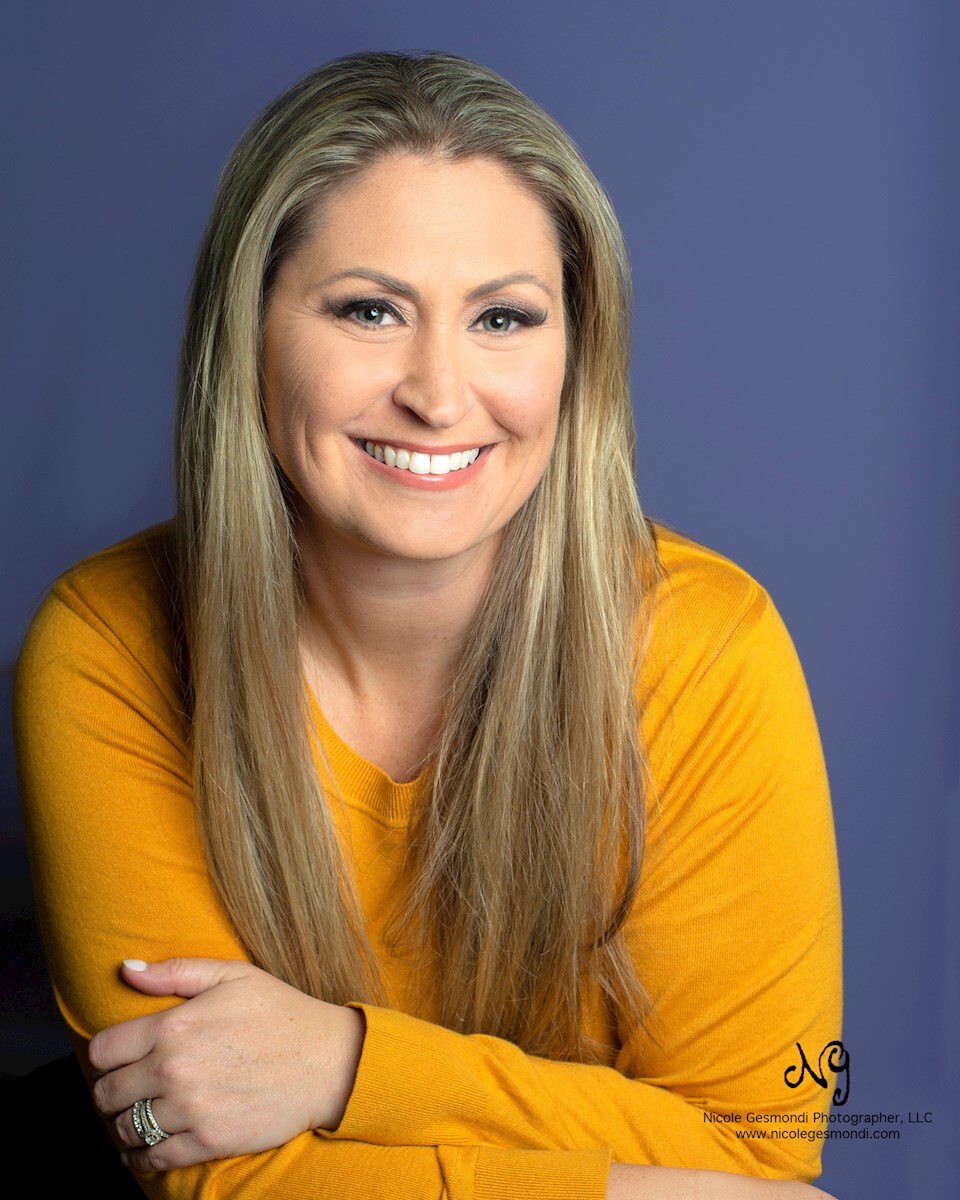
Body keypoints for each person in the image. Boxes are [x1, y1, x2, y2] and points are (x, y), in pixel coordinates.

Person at [14, 51, 841, 1200]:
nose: (440, 394)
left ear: (575, 353)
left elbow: (761, 1152)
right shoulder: (109, 643)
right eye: (369, 310)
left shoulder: (707, 648)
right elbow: (229, 1178)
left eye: (503, 316)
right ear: (249, 341)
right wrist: (630, 1175)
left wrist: (353, 1066)